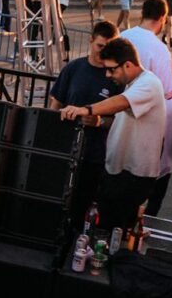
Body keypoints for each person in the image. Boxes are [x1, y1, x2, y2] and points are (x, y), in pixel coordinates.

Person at [57, 38, 164, 229]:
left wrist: (86, 109)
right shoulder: (136, 83)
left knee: (114, 228)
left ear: (128, 65)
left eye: (112, 69)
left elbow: (121, 102)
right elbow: (123, 117)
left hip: (132, 175)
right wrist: (100, 121)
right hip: (118, 171)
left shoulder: (149, 83)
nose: (107, 75)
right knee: (104, 223)